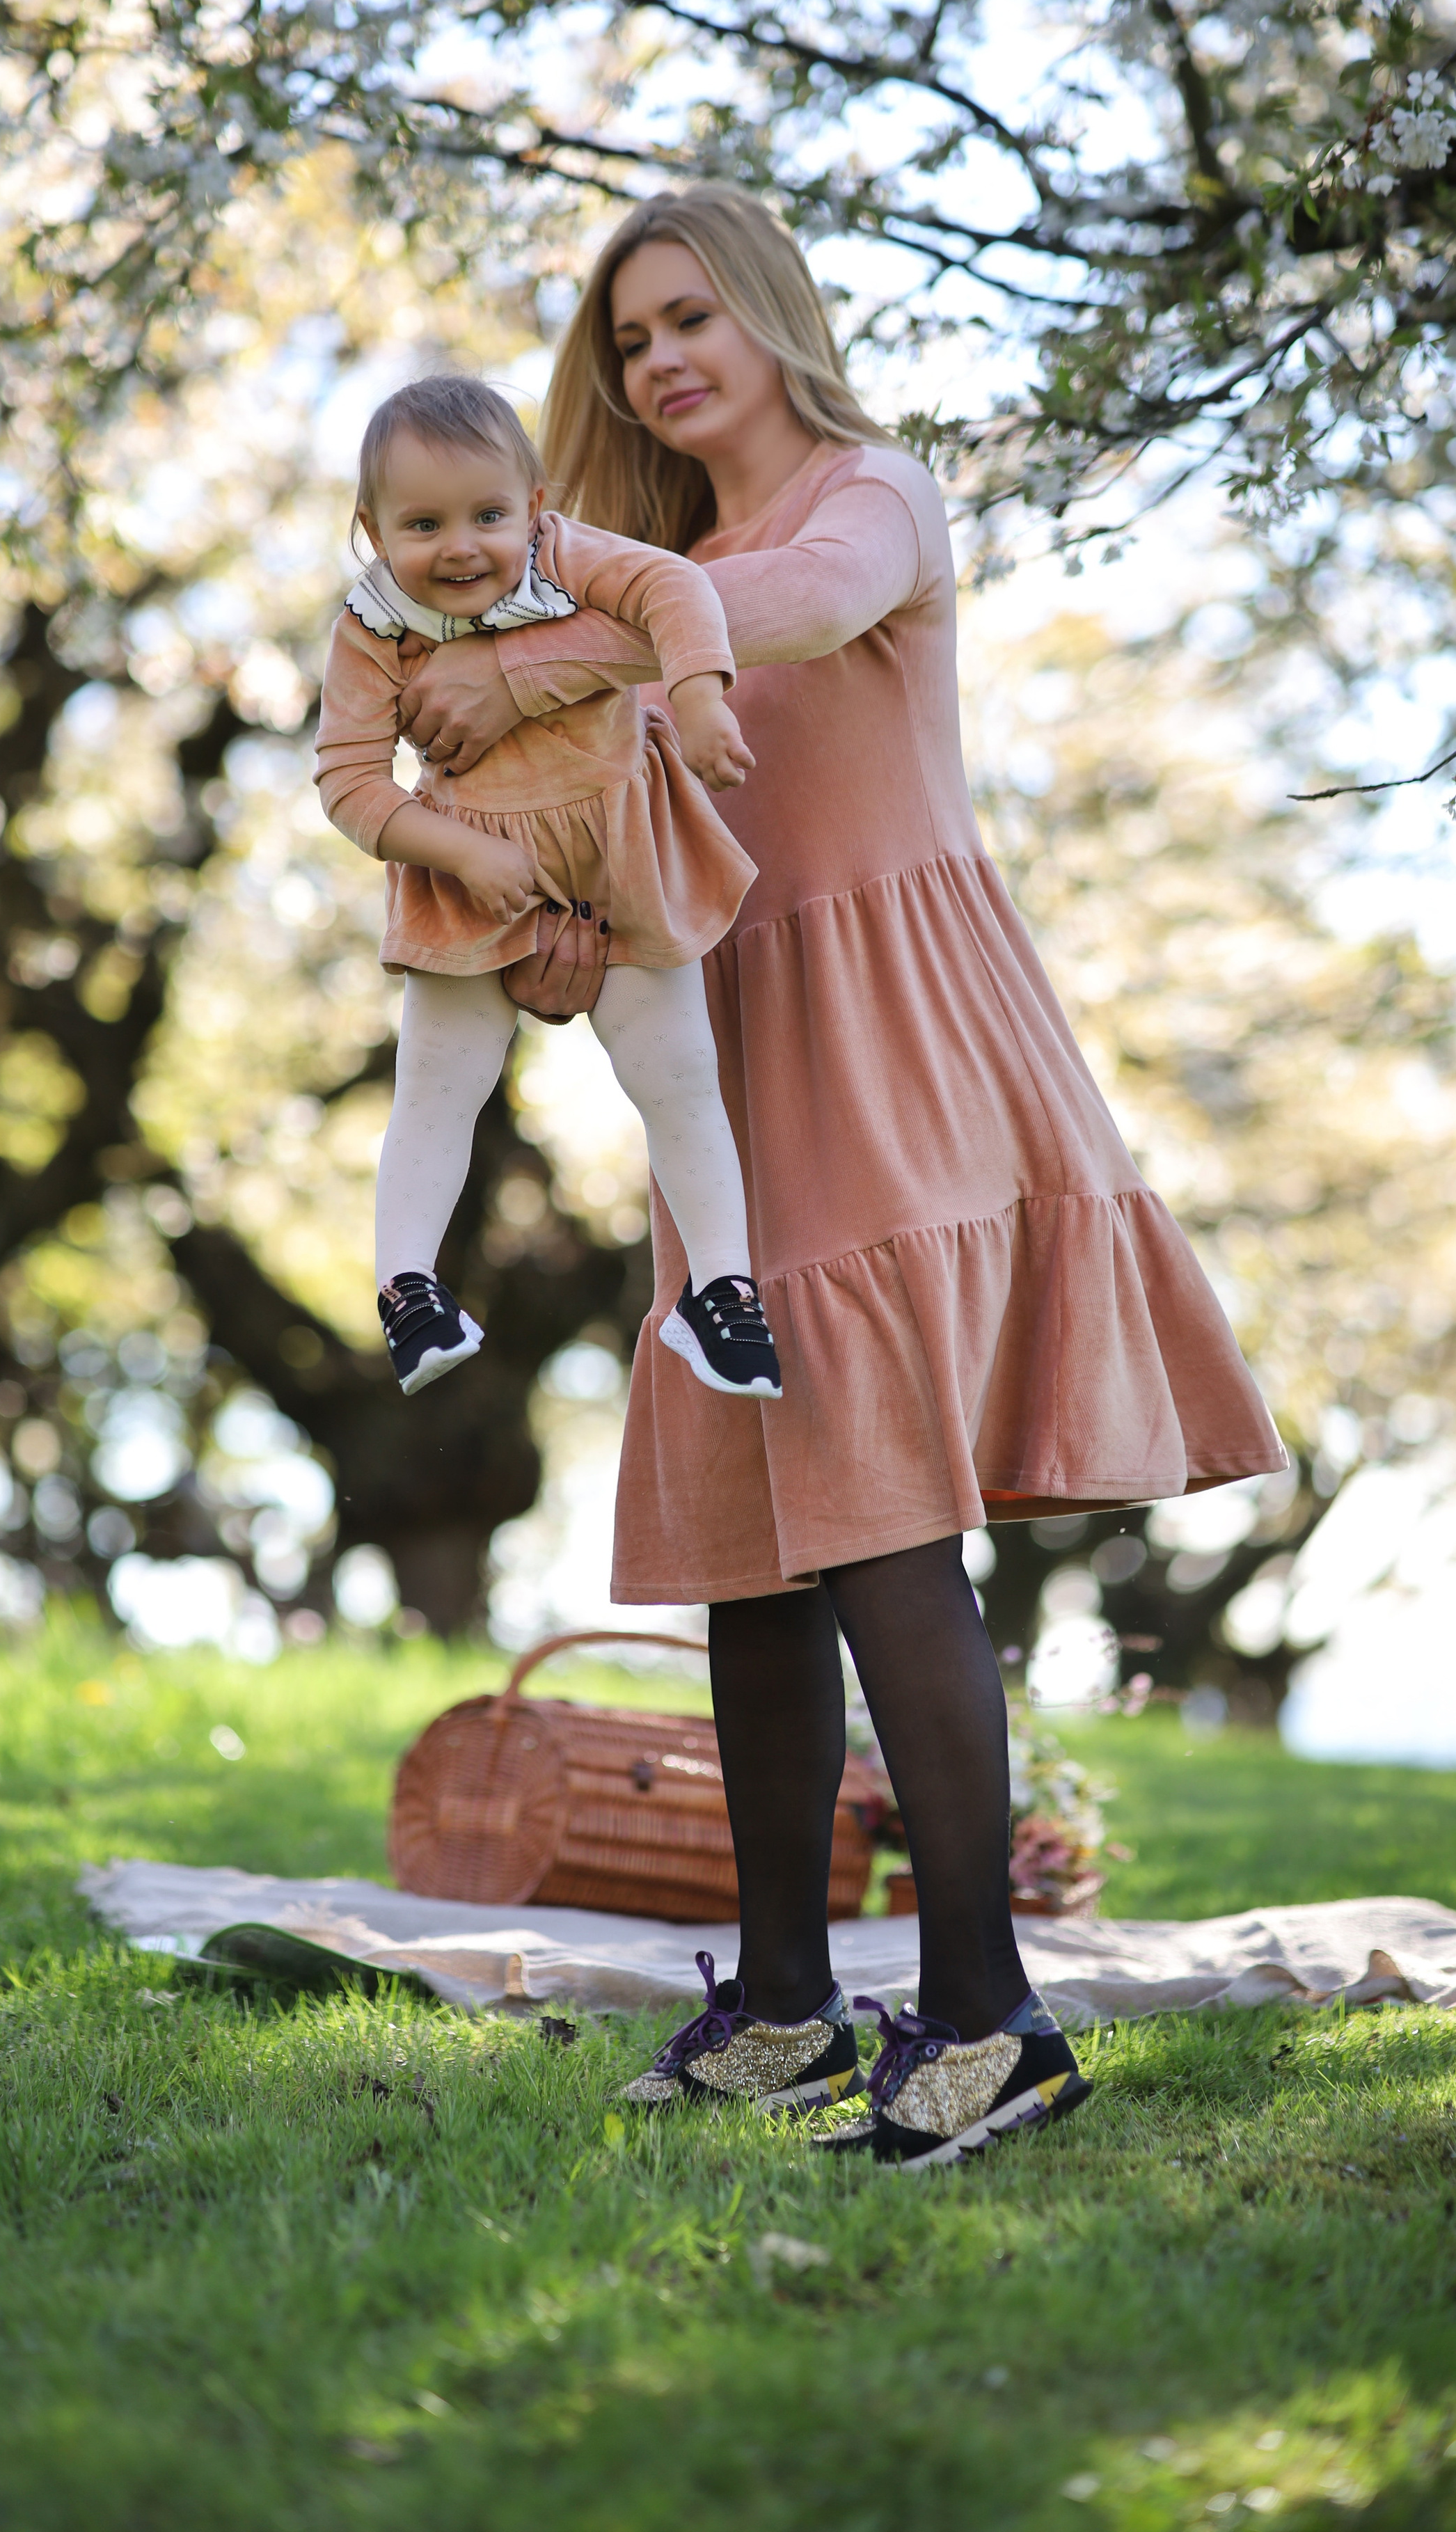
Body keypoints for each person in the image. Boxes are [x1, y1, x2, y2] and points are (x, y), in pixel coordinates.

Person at [397, 189, 1288, 2171]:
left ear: (771, 315)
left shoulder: (868, 500)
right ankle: (790, 2006)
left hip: (895, 1044)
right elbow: (611, 854)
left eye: (691, 317)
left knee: (883, 1523)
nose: (660, 361)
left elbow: (787, 613)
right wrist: (543, 936)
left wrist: (537, 662)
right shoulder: (628, 598)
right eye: (630, 340)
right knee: (757, 1547)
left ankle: (989, 2019)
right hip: (729, 1074)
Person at [312, 372, 782, 1403]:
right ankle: (407, 1288)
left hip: (620, 851)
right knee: (438, 1082)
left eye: (487, 515)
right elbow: (346, 781)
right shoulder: (374, 626)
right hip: (472, 869)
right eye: (423, 525)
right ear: (373, 530)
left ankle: (723, 1289)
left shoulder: (565, 556)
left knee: (678, 1073)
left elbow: (674, 589)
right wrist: (457, 852)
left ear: (533, 505)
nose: (462, 547)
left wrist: (700, 697)